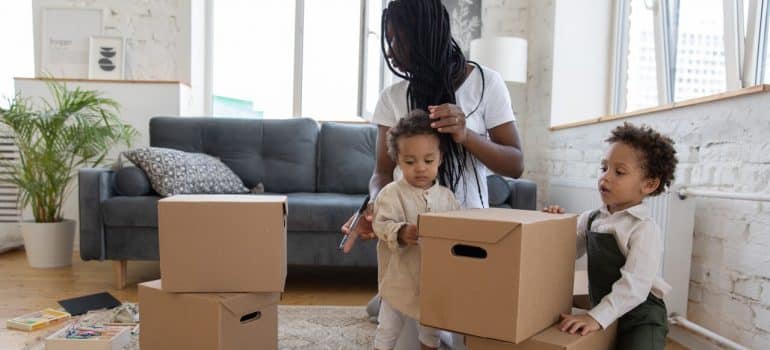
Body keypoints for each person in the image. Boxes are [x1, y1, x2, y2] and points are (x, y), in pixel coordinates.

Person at [341, 0, 523, 250]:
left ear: (425, 36)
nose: (391, 52)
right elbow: (382, 172)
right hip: (406, 232)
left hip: (469, 229)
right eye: (389, 41)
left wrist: (465, 135)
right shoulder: (391, 97)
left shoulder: (486, 84)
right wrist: (376, 204)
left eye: (398, 41)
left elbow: (515, 165)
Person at [543, 122, 678, 350]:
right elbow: (563, 252)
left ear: (649, 184)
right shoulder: (591, 218)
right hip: (605, 309)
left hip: (641, 317)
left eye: (619, 172)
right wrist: (553, 224)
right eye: (604, 168)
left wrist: (595, 317)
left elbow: (634, 287)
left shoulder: (643, 229)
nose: (605, 177)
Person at [372, 110, 460, 350]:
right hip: (399, 278)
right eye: (410, 162)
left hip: (434, 282)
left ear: (440, 158)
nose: (420, 168)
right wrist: (400, 232)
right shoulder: (391, 193)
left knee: (431, 331)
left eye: (428, 161)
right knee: (387, 328)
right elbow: (380, 223)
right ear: (398, 161)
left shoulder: (448, 198)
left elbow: (459, 232)